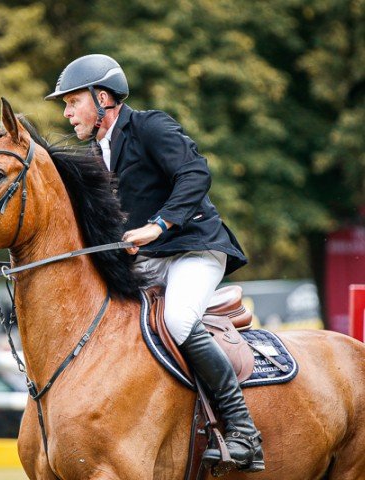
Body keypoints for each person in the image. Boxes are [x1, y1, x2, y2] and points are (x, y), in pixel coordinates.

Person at [45, 54, 263, 473]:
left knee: (179, 321)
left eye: (73, 102)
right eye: (66, 106)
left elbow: (195, 174)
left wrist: (158, 225)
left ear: (102, 98)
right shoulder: (95, 152)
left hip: (193, 249)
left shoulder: (150, 126)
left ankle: (242, 429)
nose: (68, 113)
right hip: (149, 259)